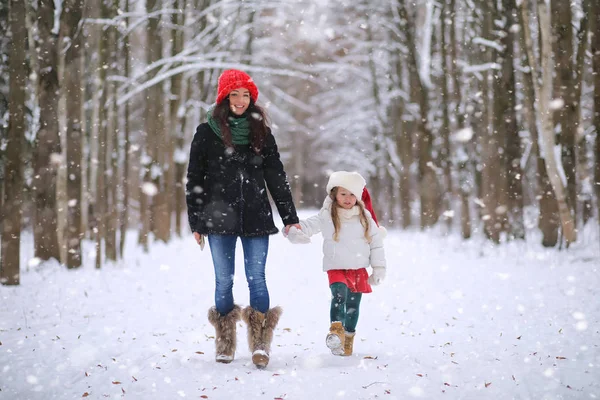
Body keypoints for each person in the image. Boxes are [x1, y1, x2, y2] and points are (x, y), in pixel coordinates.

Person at [186, 69, 301, 368]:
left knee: (257, 279)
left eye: (245, 94)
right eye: (234, 94)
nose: (240, 100)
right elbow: (194, 179)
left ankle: (260, 345)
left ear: (252, 98)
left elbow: (276, 176)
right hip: (217, 217)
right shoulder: (206, 132)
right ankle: (225, 341)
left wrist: (290, 216)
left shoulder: (262, 133)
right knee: (224, 281)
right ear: (224, 98)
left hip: (255, 215)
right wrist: (196, 222)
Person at [285, 171, 386, 356]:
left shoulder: (365, 218)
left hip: (358, 268)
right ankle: (336, 331)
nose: (348, 198)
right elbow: (308, 225)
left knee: (353, 306)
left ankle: (348, 337)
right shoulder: (327, 215)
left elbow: (376, 243)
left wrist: (378, 268)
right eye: (343, 194)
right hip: (336, 266)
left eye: (352, 194)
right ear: (334, 194)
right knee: (339, 295)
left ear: (358, 196)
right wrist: (296, 231)